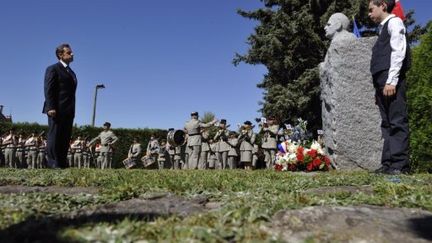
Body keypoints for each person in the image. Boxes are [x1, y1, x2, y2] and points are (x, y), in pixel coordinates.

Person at [369, 0, 410, 175]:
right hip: (382, 84)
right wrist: (377, 90)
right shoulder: (381, 29)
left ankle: (400, 165)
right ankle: (388, 163)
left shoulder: (394, 22)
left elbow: (398, 51)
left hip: (391, 81)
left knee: (397, 121)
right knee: (386, 124)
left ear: (383, 6)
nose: (369, 14)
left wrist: (391, 81)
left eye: (371, 10)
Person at [43, 43, 77, 168]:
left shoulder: (71, 72)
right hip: (56, 109)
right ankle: (53, 163)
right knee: (55, 136)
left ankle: (62, 163)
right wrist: (50, 107)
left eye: (71, 52)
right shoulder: (53, 68)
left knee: (65, 137)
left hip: (69, 110)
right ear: (60, 55)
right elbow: (48, 89)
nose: (72, 54)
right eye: (69, 52)